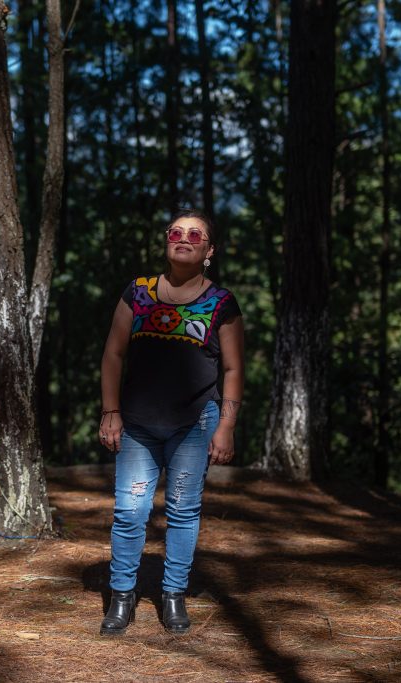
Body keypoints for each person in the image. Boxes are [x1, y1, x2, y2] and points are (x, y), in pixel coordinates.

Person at [97, 209, 245, 636]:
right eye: (176, 232)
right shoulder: (138, 293)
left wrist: (227, 426)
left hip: (195, 426)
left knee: (183, 510)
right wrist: (111, 412)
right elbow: (113, 355)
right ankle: (121, 597)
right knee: (130, 511)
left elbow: (233, 369)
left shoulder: (221, 303)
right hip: (138, 425)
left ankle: (173, 595)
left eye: (195, 234)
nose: (184, 238)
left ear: (208, 251)